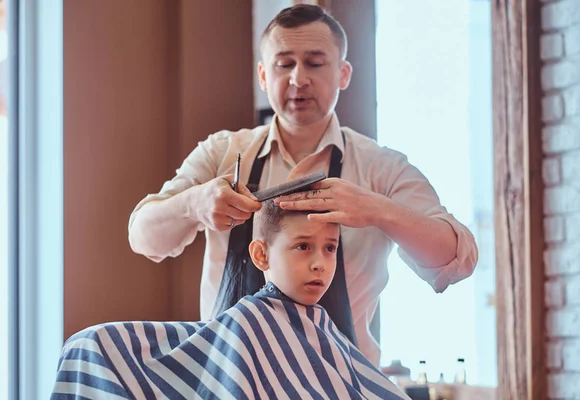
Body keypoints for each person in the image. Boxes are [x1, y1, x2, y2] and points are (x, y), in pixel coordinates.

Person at [128, 4, 478, 367]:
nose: (298, 79)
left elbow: (457, 260)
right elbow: (142, 236)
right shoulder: (222, 153)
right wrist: (193, 204)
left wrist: (377, 210)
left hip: (343, 385)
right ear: (263, 75)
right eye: (284, 64)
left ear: (343, 73)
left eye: (314, 63)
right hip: (229, 381)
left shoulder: (381, 167)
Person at [50, 202, 412, 399]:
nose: (320, 262)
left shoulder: (321, 329)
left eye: (330, 248)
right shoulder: (248, 324)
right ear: (262, 256)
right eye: (303, 246)